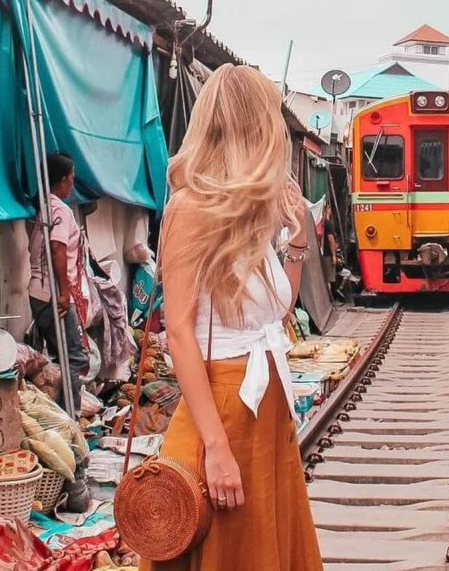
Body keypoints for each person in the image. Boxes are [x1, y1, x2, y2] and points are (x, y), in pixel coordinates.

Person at [141, 64, 321, 571]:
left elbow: (273, 315)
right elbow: (178, 330)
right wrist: (216, 449)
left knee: (261, 549)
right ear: (253, 127)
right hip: (224, 408)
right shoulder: (191, 207)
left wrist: (297, 238)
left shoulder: (248, 210)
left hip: (265, 408)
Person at [28, 152, 88, 414]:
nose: (72, 185)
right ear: (62, 180)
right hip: (52, 295)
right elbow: (57, 248)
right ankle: (70, 418)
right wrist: (64, 292)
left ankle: (57, 413)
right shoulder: (59, 210)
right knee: (73, 357)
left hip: (38, 292)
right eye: (71, 179)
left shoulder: (43, 206)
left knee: (56, 357)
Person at [321, 205, 339, 295]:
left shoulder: (319, 223)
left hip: (319, 254)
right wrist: (334, 255)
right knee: (328, 279)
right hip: (327, 254)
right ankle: (328, 299)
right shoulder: (328, 223)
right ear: (327, 210)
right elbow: (330, 239)